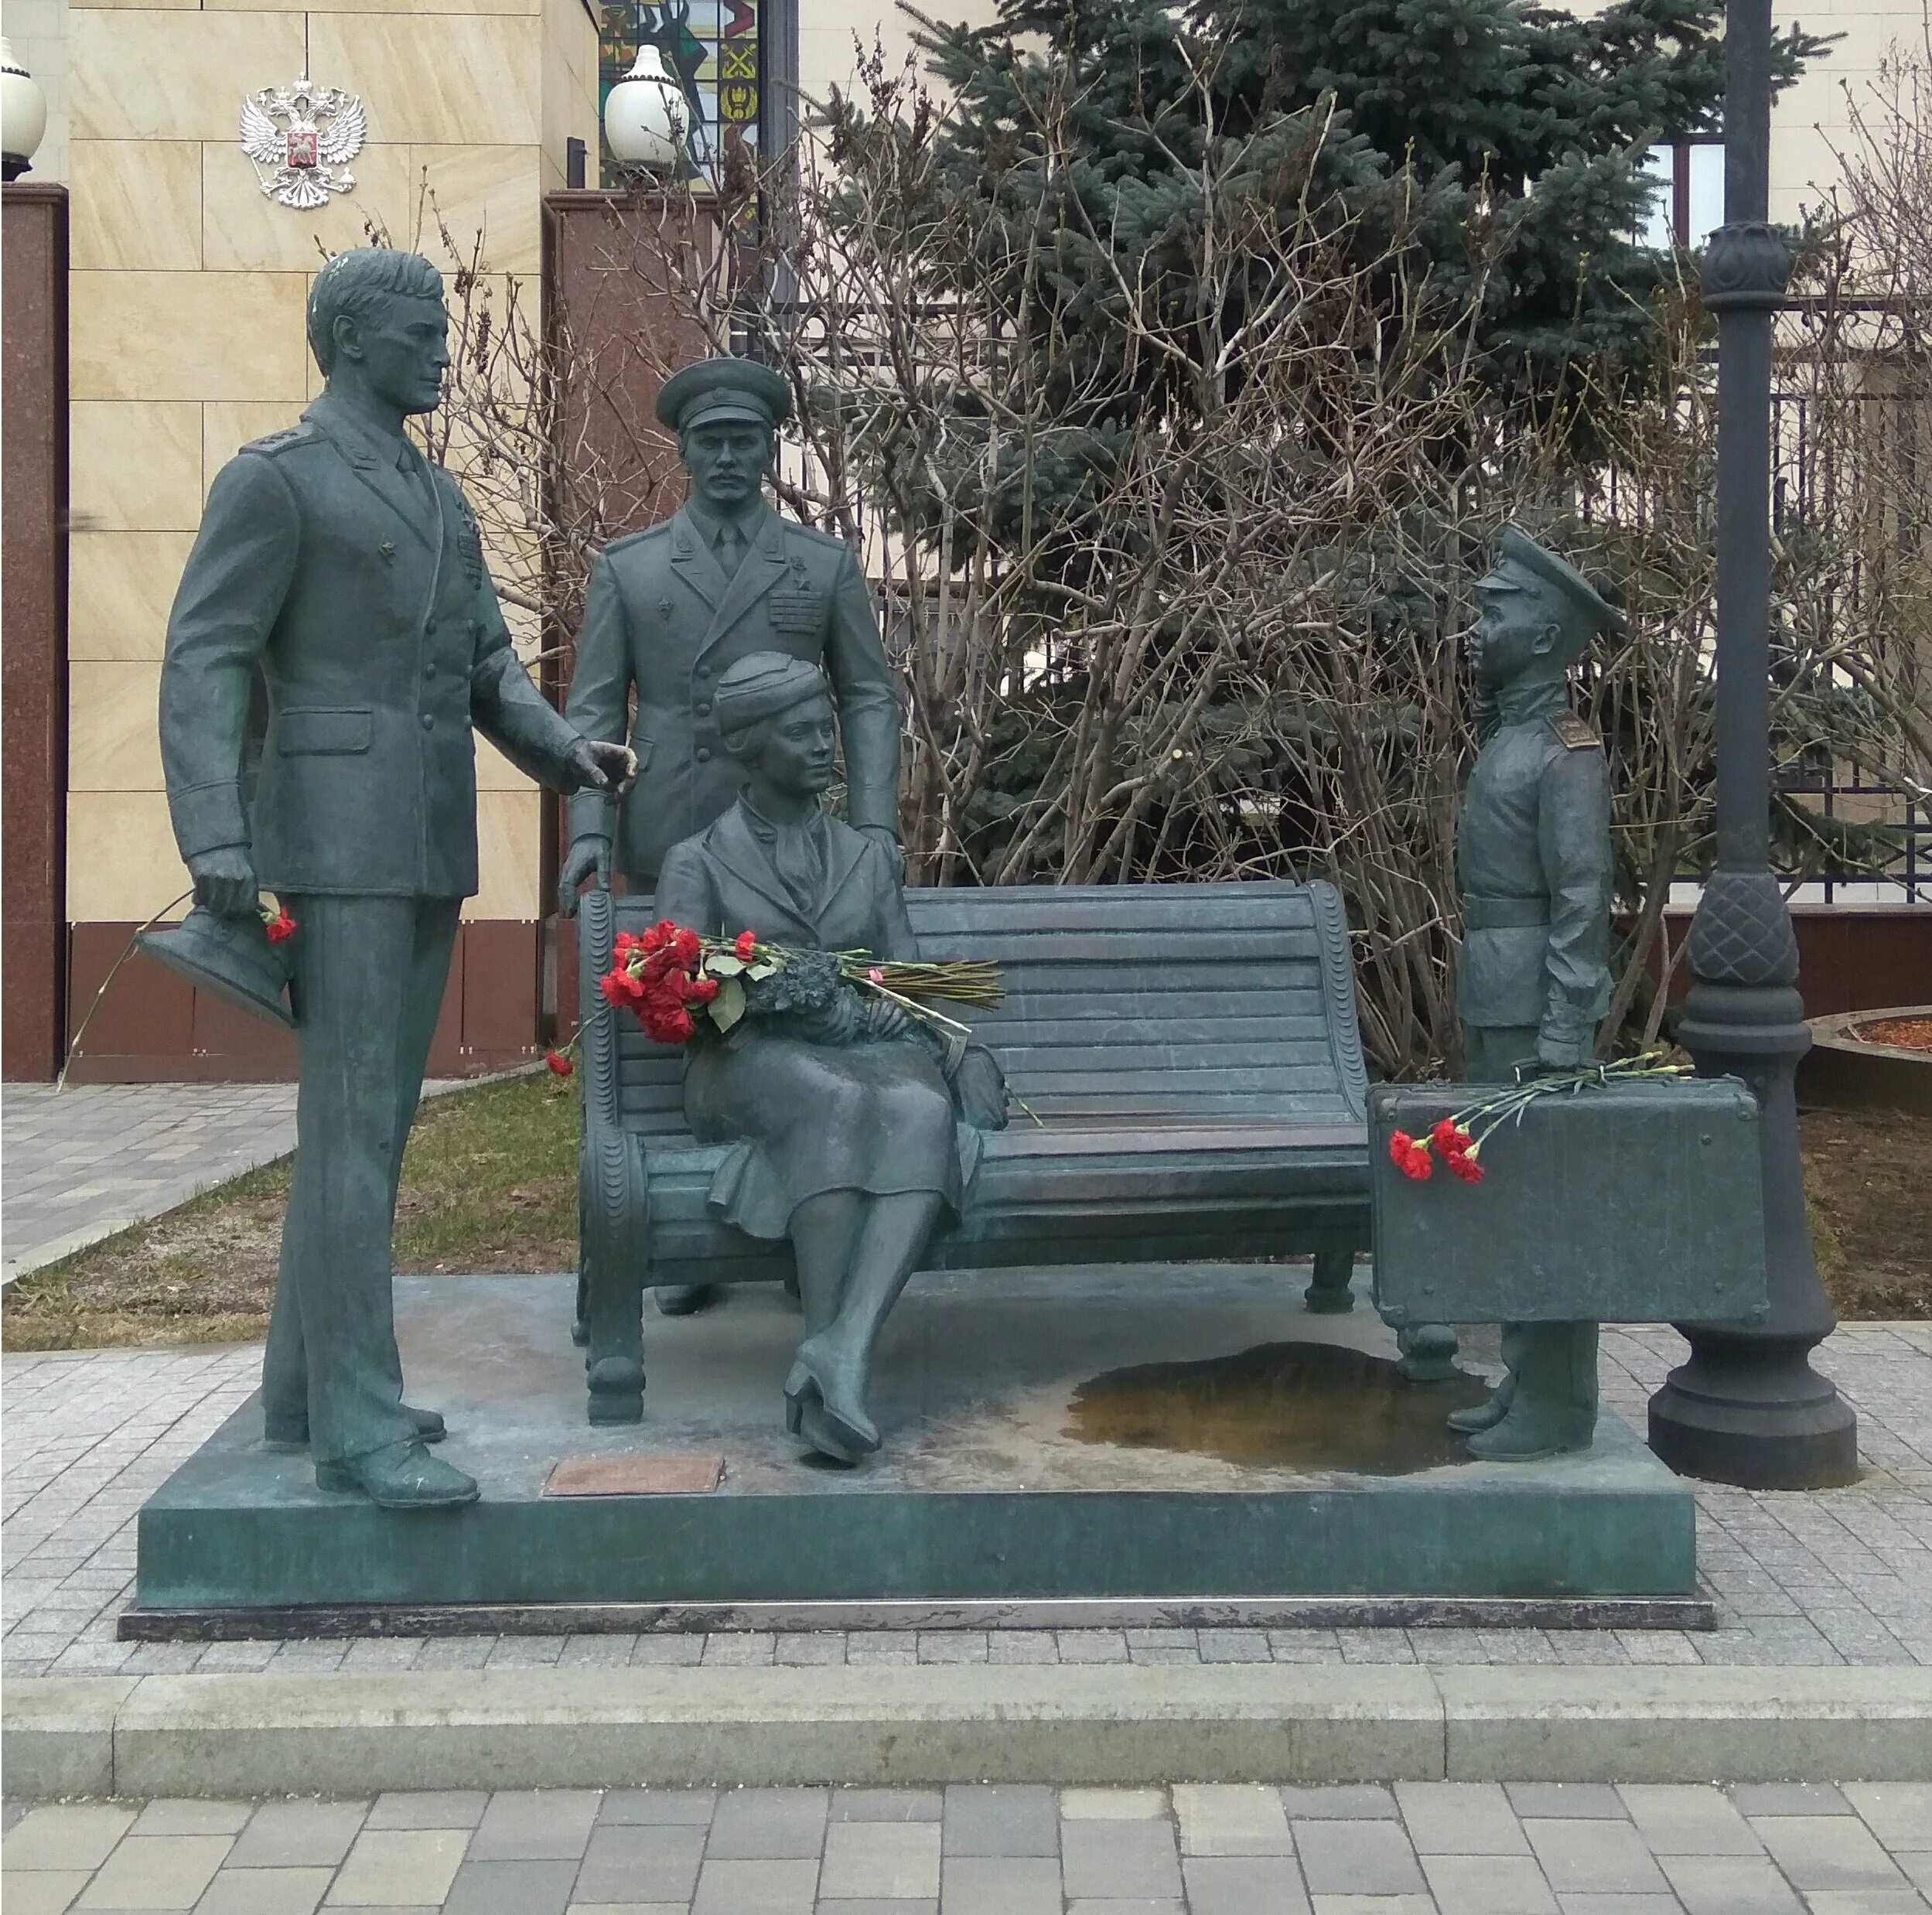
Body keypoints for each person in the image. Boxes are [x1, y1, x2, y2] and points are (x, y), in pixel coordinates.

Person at [158, 248, 634, 1509]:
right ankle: (358, 1435)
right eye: (419, 330)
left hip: (421, 840)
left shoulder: (438, 500)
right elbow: (204, 654)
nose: (442, 347)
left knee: (365, 1130)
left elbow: (487, 668)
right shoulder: (278, 483)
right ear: (352, 340)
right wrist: (213, 835)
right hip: (327, 842)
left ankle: (303, 1392)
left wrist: (568, 755)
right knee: (354, 1136)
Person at [560, 355, 903, 1316]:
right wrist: (590, 827)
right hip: (672, 818)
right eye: (708, 441)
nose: (724, 457)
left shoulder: (820, 563)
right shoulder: (628, 567)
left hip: (794, 833)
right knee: (688, 1016)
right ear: (683, 449)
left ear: (767, 449)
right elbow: (592, 713)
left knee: (800, 1014)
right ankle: (700, 1234)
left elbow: (868, 694)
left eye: (742, 441)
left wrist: (873, 825)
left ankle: (806, 1218)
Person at [652, 653, 1005, 1463]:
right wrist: (779, 993)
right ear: (749, 745)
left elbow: (910, 981)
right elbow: (676, 990)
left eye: (827, 728)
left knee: (921, 1109)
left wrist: (958, 1045)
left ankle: (842, 1353)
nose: (824, 745)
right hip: (746, 1063)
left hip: (874, 1052)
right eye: (802, 731)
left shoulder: (866, 857)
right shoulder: (698, 860)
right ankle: (828, 1353)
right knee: (832, 1101)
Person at [1447, 524, 1620, 1461]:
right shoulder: (1510, 734)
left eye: (1495, 610)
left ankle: (1558, 1403)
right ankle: (1529, 1378)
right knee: (1511, 1198)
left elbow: (1582, 898)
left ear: (1547, 634)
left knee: (1543, 1199)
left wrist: (1564, 1026)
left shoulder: (1563, 750)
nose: (1476, 625)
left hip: (1532, 1010)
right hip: (1494, 990)